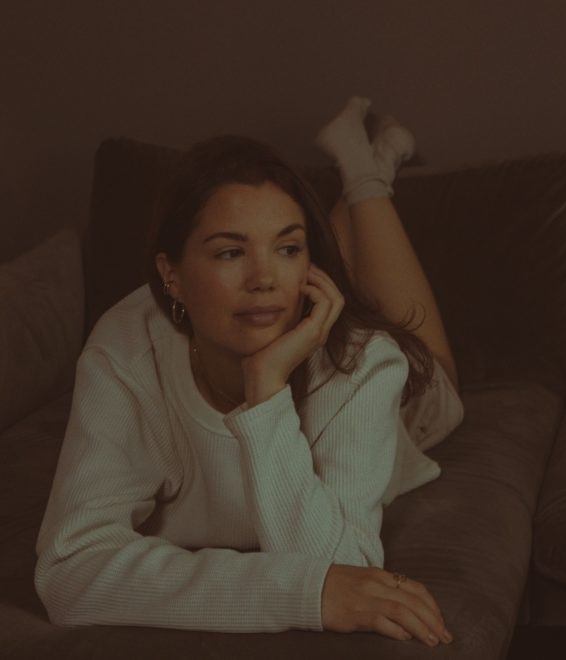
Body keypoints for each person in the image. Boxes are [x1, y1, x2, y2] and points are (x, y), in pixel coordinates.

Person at [33, 97, 462, 647]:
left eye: (289, 248)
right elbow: (68, 570)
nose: (264, 278)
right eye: (230, 253)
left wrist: (265, 391)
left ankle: (365, 173)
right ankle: (364, 166)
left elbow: (346, 570)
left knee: (435, 365)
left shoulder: (369, 362)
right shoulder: (126, 346)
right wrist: (296, 593)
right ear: (170, 275)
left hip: (410, 406)